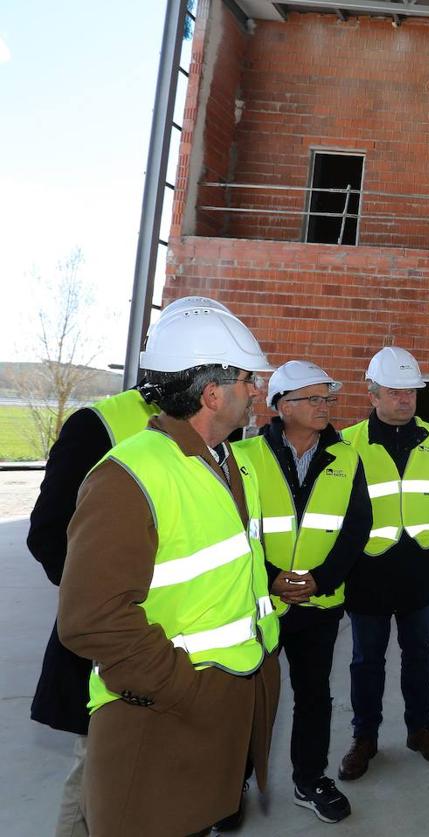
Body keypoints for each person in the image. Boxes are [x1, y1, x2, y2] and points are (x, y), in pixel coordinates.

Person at [56, 304, 282, 835]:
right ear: (212, 393)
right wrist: (187, 691)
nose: (256, 393)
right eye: (249, 381)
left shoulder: (225, 460)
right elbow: (92, 619)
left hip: (215, 710)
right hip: (159, 717)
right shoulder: (128, 475)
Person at [26, 295, 229, 837]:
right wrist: (107, 606)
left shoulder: (214, 430)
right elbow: (48, 534)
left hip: (188, 648)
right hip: (117, 645)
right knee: (97, 778)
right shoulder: (100, 426)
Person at [232, 360, 371, 823]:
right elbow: (234, 528)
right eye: (312, 398)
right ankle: (233, 783)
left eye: (327, 398)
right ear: (281, 406)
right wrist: (270, 575)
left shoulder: (347, 457)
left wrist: (323, 579)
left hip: (320, 602)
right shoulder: (246, 455)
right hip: (261, 600)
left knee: (314, 694)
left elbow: (356, 528)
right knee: (250, 694)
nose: (323, 406)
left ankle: (309, 778)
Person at [338, 347, 429, 780]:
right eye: (395, 391)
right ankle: (364, 737)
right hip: (368, 569)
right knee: (366, 660)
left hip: (420, 568)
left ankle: (420, 729)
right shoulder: (347, 442)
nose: (405, 400)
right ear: (372, 394)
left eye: (411, 392)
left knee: (419, 654)